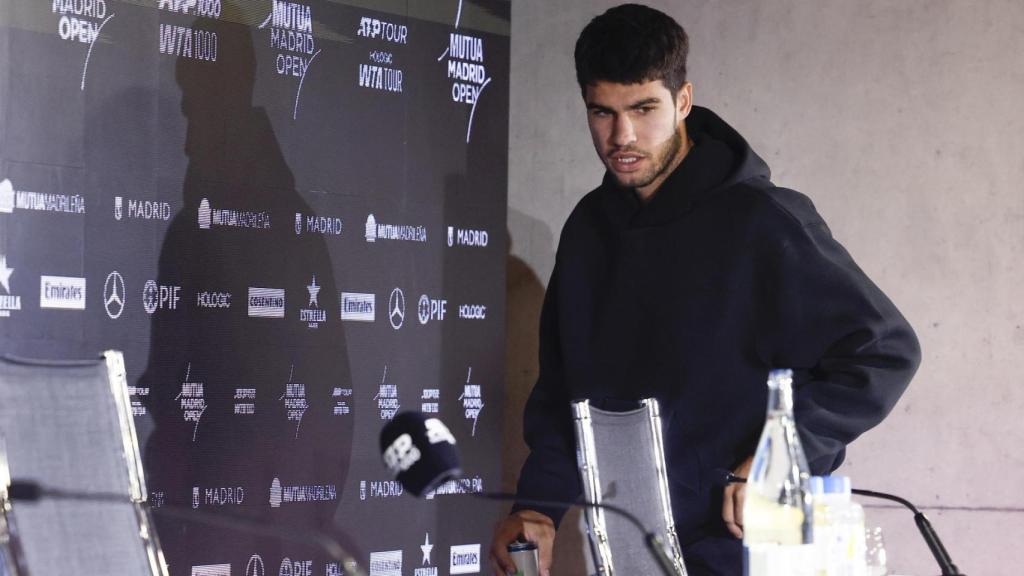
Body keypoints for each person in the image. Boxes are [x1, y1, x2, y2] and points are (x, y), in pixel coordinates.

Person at [489, 4, 921, 575]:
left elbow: (884, 352)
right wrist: (537, 507)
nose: (623, 136)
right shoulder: (588, 232)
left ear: (683, 101)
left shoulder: (762, 222)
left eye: (644, 109)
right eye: (603, 112)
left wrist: (774, 458)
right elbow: (564, 393)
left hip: (750, 554)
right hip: (627, 554)